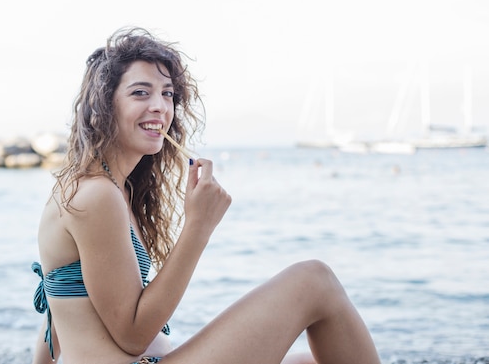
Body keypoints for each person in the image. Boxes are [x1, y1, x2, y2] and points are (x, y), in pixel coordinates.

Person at [31, 27, 381, 364]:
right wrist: (199, 226)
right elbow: (132, 336)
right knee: (313, 280)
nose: (160, 106)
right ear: (104, 106)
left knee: (310, 360)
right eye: (141, 92)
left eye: (167, 93)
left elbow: (59, 308)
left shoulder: (110, 188)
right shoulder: (97, 195)